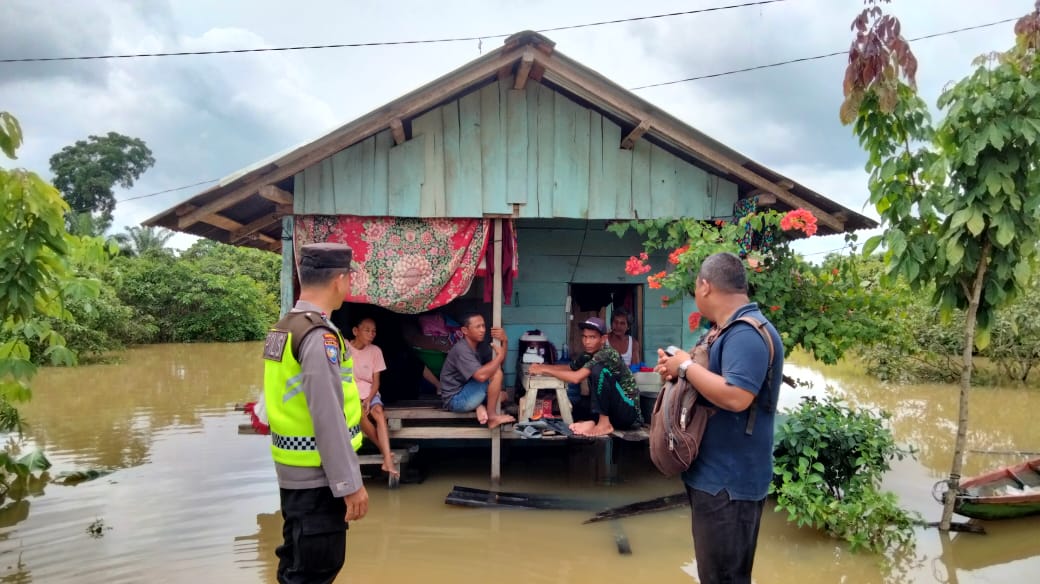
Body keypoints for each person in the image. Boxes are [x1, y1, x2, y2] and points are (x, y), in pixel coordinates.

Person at [656, 252, 784, 584]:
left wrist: (685, 367)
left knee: (725, 578)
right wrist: (676, 371)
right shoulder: (723, 331)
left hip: (731, 483)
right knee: (714, 575)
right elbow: (709, 385)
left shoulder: (746, 333)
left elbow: (736, 396)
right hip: (715, 478)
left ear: (705, 286)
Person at [262, 242, 368, 584]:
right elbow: (328, 416)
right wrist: (349, 484)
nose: (349, 286)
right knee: (315, 570)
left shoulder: (285, 327)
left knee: (295, 565)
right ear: (339, 280)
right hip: (317, 479)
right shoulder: (317, 336)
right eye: (349, 278)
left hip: (293, 475)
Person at [529, 316, 642, 436]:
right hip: (613, 412)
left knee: (599, 370)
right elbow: (571, 367)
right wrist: (542, 368)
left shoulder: (607, 354)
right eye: (584, 336)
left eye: (592, 337)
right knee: (578, 407)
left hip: (629, 413)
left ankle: (604, 424)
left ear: (603, 339)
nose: (587, 341)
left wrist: (544, 370)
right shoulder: (588, 354)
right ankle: (593, 421)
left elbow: (576, 377)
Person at [439, 313, 515, 428]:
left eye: (483, 326)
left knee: (503, 395)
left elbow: (497, 364)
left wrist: (505, 342)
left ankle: (479, 406)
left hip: (468, 391)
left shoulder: (480, 346)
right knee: (497, 374)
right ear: (465, 330)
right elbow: (481, 376)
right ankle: (492, 417)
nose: (482, 330)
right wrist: (499, 356)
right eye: (478, 327)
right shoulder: (461, 349)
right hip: (456, 400)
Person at [350, 318, 399, 481]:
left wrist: (369, 399)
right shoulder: (344, 347)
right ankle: (386, 454)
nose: (371, 334)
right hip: (350, 393)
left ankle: (386, 459)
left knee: (378, 412)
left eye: (374, 331)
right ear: (355, 331)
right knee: (360, 414)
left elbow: (376, 381)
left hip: (370, 392)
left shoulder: (375, 351)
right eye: (367, 330)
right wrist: (358, 400)